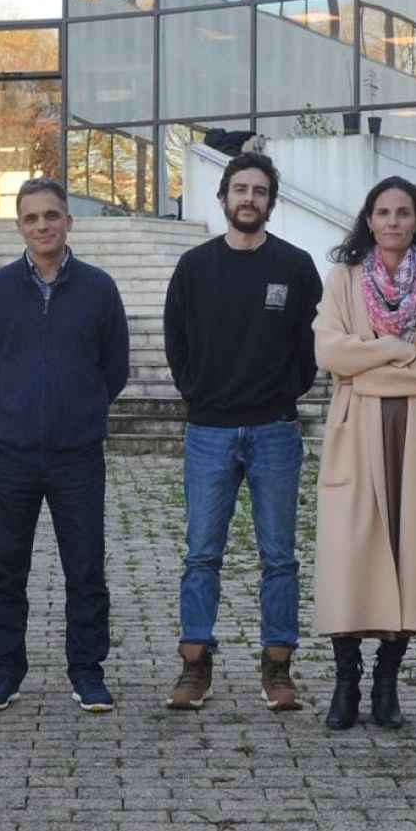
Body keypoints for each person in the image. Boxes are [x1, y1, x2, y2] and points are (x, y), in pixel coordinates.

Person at [163, 152, 323, 712]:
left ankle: (278, 668)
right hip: (209, 430)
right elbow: (175, 341)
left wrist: (283, 393)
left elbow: (311, 349)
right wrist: (199, 394)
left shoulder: (297, 267)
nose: (248, 198)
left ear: (270, 202)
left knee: (279, 556)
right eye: (239, 189)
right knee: (202, 553)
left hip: (275, 430)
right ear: (223, 198)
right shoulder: (194, 267)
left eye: (259, 190)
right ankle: (194, 667)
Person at [0, 179, 130, 714]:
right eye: (32, 218)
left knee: (85, 568)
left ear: (68, 221)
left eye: (51, 216)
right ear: (19, 227)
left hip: (77, 453)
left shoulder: (100, 289)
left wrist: (80, 409)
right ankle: (4, 671)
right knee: (5, 568)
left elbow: (116, 368)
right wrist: (10, 410)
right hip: (10, 454)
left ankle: (87, 671)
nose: (42, 226)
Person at [312, 177, 416, 731]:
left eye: (404, 212)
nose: (394, 221)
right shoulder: (343, 281)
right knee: (349, 554)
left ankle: (387, 682)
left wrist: (369, 369)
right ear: (369, 220)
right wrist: (402, 352)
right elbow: (330, 351)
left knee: (409, 557)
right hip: (357, 434)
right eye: (383, 212)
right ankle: (346, 679)